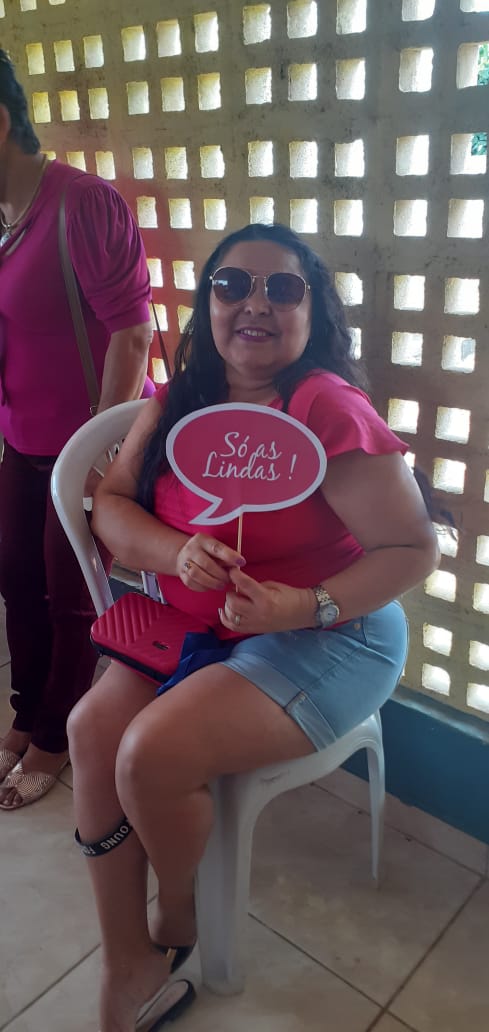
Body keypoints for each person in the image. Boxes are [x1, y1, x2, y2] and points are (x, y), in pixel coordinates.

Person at [67, 222, 440, 1032]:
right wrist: (176, 552)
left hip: (332, 633)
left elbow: (413, 550)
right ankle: (126, 962)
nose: (255, 304)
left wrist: (298, 606)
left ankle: (178, 911)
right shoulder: (180, 398)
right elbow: (113, 506)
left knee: (151, 753)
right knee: (91, 731)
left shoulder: (325, 409)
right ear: (208, 305)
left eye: (283, 288)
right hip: (196, 624)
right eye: (232, 285)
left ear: (313, 311)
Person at [0, 49, 155, 809]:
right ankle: (27, 713)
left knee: (68, 596)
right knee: (16, 579)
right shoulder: (5, 217)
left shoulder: (83, 205)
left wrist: (99, 453)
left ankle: (55, 738)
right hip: (22, 437)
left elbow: (133, 331)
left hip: (91, 448)